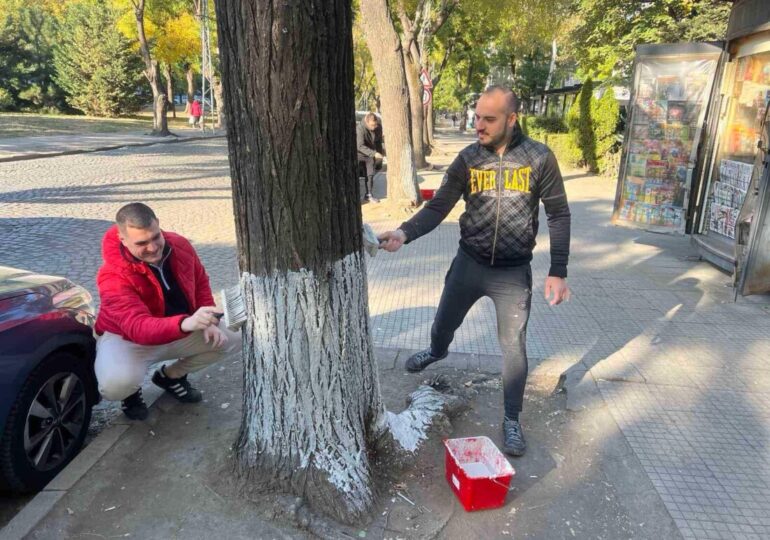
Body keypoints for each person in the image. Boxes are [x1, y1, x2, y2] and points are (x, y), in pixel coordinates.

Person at [377, 86, 571, 457]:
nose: (478, 125)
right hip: (469, 263)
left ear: (511, 119)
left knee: (513, 346)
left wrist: (558, 270)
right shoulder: (468, 159)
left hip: (513, 274)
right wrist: (404, 233)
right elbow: (439, 208)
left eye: (488, 119)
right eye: (477, 116)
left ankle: (512, 418)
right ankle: (436, 351)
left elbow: (559, 213)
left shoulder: (539, 158)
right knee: (443, 324)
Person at [94, 203, 239, 420]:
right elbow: (136, 327)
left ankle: (170, 377)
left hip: (178, 328)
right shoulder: (111, 275)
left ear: (159, 227)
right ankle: (131, 393)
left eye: (155, 237)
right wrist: (184, 324)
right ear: (123, 240)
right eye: (142, 243)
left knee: (235, 336)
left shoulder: (178, 244)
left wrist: (208, 319)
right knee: (116, 384)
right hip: (129, 338)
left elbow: (199, 281)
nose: (152, 248)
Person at [357, 112, 385, 203]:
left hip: (370, 155)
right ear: (367, 122)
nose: (374, 127)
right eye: (372, 125)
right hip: (359, 154)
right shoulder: (360, 129)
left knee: (370, 174)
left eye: (376, 125)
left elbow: (378, 142)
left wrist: (379, 155)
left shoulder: (378, 127)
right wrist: (374, 153)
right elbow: (360, 146)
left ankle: (368, 195)